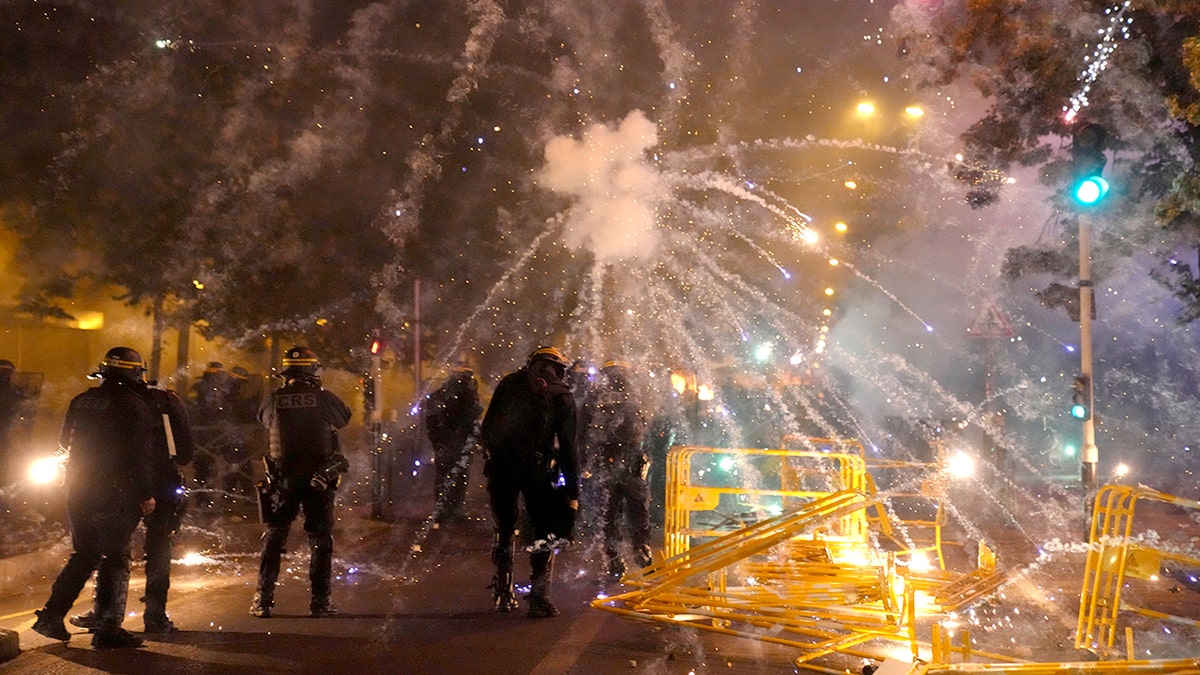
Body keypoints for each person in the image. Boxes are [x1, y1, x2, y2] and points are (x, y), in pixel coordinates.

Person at [31, 347, 156, 649]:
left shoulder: (81, 400)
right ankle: (108, 629)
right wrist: (146, 495)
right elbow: (136, 456)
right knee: (115, 558)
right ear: (134, 374)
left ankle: (51, 616)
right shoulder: (132, 404)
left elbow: (64, 443)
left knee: (84, 554)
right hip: (114, 492)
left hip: (78, 488)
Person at [69, 378, 195, 634]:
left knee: (113, 550)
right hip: (162, 481)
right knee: (159, 547)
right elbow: (185, 452)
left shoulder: (104, 400)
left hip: (119, 484)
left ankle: (106, 616)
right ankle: (156, 616)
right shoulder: (167, 400)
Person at [250, 346, 351, 618]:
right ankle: (320, 602)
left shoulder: (273, 400)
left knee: (273, 537)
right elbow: (345, 418)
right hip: (319, 478)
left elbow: (263, 420)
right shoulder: (324, 399)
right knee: (320, 539)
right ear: (312, 372)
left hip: (283, 480)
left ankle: (262, 599)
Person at [480, 346, 580, 618]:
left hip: (501, 467)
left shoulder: (509, 383)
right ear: (559, 369)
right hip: (537, 470)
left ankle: (503, 592)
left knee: (504, 526)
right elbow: (570, 448)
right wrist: (573, 490)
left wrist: (494, 455)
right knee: (543, 531)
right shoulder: (561, 396)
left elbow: (487, 428)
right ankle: (538, 598)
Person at [580, 360, 652, 579]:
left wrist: (586, 460)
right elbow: (645, 427)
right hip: (629, 461)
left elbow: (583, 430)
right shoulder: (635, 396)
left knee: (609, 512)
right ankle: (639, 548)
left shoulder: (595, 396)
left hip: (608, 461)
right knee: (636, 509)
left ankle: (615, 559)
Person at [423, 365, 483, 523]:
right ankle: (454, 510)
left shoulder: (441, 394)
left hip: (447, 443)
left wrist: (436, 440)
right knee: (459, 477)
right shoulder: (467, 395)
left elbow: (430, 417)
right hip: (460, 443)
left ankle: (443, 510)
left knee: (444, 476)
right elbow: (473, 420)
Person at [0, 359, 28, 485]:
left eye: (7, 372)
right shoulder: (17, 392)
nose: (4, 376)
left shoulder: (18, 392)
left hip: (8, 436)